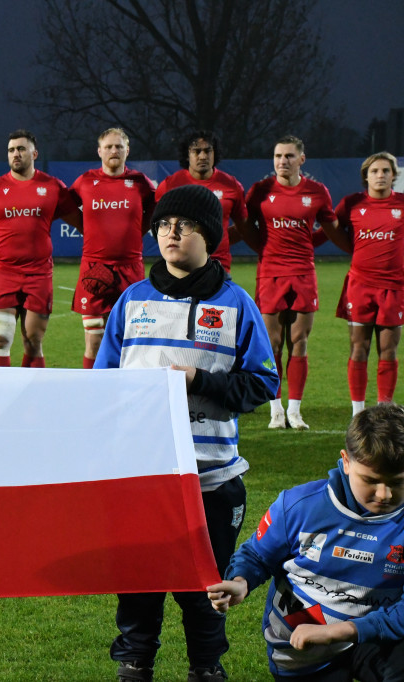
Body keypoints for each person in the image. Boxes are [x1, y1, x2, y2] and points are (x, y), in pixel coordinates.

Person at [96, 184, 279, 682]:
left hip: (212, 482)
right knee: (138, 592)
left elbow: (264, 382)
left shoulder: (237, 304)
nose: (171, 233)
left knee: (206, 595)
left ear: (210, 237)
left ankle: (206, 669)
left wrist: (201, 381)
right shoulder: (131, 302)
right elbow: (101, 388)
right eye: (163, 226)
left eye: (185, 225)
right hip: (141, 480)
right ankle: (134, 668)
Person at [208, 403, 404, 681]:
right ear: (346, 462)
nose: (384, 494)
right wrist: (241, 582)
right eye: (371, 480)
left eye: (397, 482)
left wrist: (342, 630)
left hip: (374, 638)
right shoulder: (300, 506)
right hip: (302, 644)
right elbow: (256, 556)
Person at [241, 135, 338, 430]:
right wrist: (264, 249)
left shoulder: (317, 192)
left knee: (300, 341)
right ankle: (275, 410)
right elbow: (246, 226)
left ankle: (294, 411)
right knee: (272, 343)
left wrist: (309, 243)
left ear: (301, 160)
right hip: (270, 272)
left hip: (303, 273)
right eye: (278, 156)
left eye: (289, 156)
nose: (283, 161)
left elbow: (331, 229)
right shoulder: (260, 191)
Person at [0, 129, 81, 367]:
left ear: (34, 153)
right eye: (11, 150)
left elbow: (81, 222)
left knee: (33, 341)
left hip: (39, 274)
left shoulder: (53, 187)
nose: (16, 154)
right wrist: (4, 229)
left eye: (21, 149)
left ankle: (33, 399)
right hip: (4, 273)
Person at [70, 128, 156, 368]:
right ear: (99, 151)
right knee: (94, 340)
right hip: (94, 267)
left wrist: (137, 229)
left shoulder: (140, 183)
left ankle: (124, 395)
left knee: (129, 341)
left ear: (127, 151)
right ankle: (92, 395)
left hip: (130, 269)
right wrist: (86, 228)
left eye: (119, 146)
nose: (114, 151)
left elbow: (154, 208)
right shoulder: (85, 181)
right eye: (108, 147)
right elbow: (64, 205)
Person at [326, 153, 404, 415]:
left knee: (388, 350)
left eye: (385, 171)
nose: (380, 175)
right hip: (360, 286)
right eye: (374, 171)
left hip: (394, 288)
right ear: (366, 176)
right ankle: (358, 411)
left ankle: (384, 409)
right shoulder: (351, 204)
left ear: (394, 174)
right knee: (359, 347)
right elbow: (333, 229)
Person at [156, 131, 249, 273]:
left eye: (207, 151)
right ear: (187, 155)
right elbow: (160, 226)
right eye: (197, 151)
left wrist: (217, 239)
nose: (203, 156)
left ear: (214, 153)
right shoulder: (170, 185)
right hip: (182, 266)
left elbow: (244, 228)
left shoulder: (232, 185)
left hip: (218, 265)